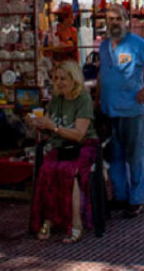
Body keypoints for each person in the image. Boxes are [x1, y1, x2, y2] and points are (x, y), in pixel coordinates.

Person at [97, 3, 144, 218]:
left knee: (136, 156)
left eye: (117, 19)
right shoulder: (104, 46)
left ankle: (138, 198)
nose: (113, 23)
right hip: (110, 110)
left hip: (132, 110)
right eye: (109, 19)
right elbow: (102, 74)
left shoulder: (136, 43)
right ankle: (120, 195)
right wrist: (98, 99)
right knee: (114, 157)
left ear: (125, 20)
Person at [28, 60, 99, 244]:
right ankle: (48, 219)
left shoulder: (83, 100)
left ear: (74, 79)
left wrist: (55, 127)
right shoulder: (56, 100)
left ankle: (76, 223)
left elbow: (79, 134)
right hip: (60, 145)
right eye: (56, 78)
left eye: (63, 78)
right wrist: (39, 124)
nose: (59, 82)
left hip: (82, 145)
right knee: (47, 169)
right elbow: (50, 127)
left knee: (70, 172)